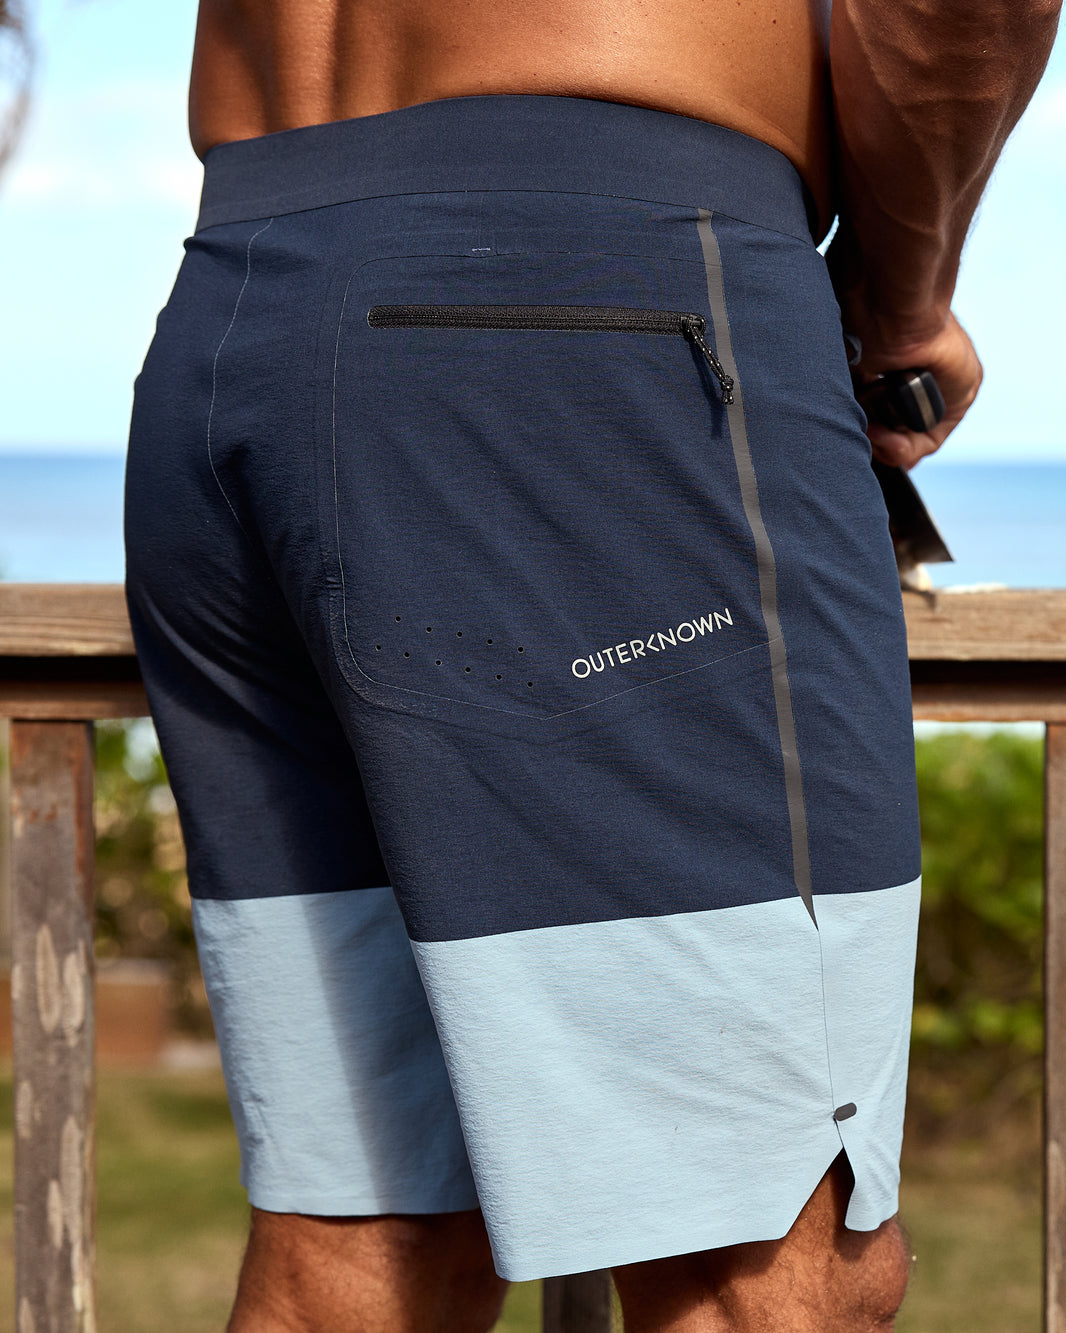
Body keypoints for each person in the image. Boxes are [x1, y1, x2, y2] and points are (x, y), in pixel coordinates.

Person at [125, 1, 1061, 1328]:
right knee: (766, 1268)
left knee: (365, 1248)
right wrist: (899, 296)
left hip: (243, 304)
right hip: (590, 303)